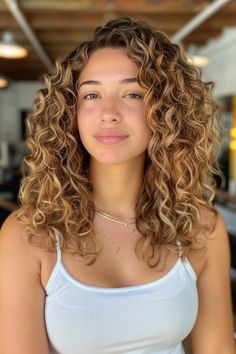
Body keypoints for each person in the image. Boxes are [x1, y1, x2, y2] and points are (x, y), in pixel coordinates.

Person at [0, 17, 235, 354]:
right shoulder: (28, 234)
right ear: (72, 112)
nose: (108, 112)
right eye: (92, 94)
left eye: (132, 93)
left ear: (165, 111)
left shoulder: (201, 227)